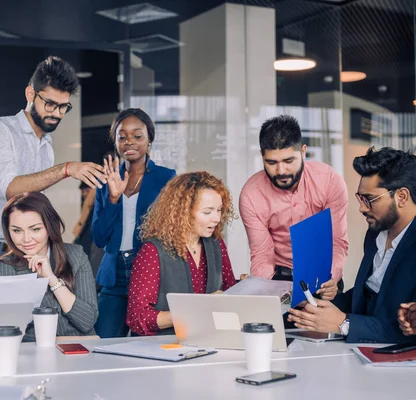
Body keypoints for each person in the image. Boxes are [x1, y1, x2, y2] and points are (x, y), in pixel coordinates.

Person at [0, 56, 107, 261]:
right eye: (50, 104)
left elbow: (31, 204)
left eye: (63, 107)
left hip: (21, 252)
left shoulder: (46, 146)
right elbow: (10, 190)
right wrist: (66, 169)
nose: (56, 113)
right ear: (30, 93)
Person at [288, 147, 416, 344]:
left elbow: (407, 331)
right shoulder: (375, 234)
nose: (362, 208)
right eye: (360, 198)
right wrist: (316, 308)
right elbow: (365, 294)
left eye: (369, 199)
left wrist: (344, 323)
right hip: (361, 350)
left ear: (401, 197)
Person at [239, 115, 348, 299]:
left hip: (324, 275)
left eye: (289, 161)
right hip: (279, 277)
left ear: (303, 151)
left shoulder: (328, 180)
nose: (281, 171)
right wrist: (257, 287)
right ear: (262, 156)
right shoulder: (251, 194)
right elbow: (262, 254)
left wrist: (332, 278)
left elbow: (337, 241)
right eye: (271, 162)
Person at [92, 108, 176, 338]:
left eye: (137, 136)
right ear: (116, 141)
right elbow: (99, 238)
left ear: (149, 140)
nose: (129, 141)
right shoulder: (106, 181)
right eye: (122, 136)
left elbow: (171, 231)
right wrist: (113, 198)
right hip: (114, 276)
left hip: (151, 275)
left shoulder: (166, 178)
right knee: (103, 346)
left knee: (146, 349)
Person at [126, 171, 237, 336]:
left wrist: (245, 290)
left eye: (219, 210)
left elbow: (229, 291)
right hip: (165, 349)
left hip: (208, 341)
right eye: (207, 212)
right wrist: (197, 309)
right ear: (183, 212)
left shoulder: (216, 244)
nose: (216, 218)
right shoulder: (152, 251)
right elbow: (137, 318)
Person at [0, 192, 98, 341]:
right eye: (17, 230)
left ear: (49, 226)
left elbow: (87, 321)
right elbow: (9, 332)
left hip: (81, 349)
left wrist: (52, 280)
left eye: (35, 229)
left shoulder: (76, 255)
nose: (26, 239)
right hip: (35, 353)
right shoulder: (2, 268)